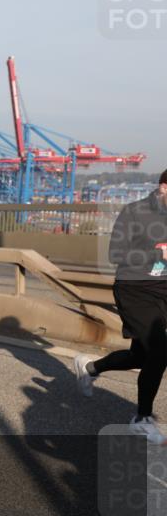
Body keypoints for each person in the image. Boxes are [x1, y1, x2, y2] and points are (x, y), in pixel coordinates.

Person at [74, 169, 167, 444]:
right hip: (134, 290)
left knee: (141, 357)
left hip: (162, 291)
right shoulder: (136, 212)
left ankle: (89, 368)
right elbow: (115, 253)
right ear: (164, 188)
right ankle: (141, 419)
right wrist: (157, 253)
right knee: (161, 353)